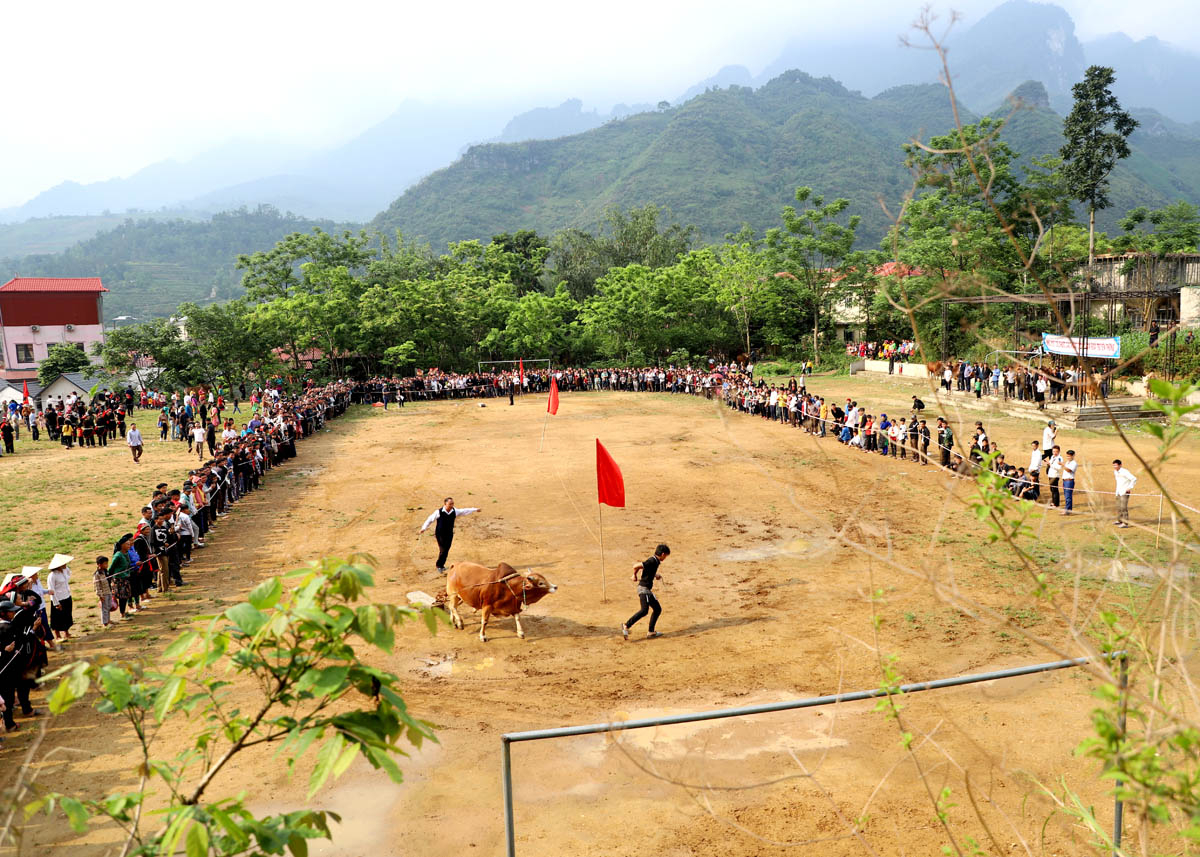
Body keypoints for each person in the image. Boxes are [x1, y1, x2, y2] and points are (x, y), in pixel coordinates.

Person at [621, 544, 670, 640]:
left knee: (657, 609)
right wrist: (634, 575)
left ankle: (651, 632)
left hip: (646, 590)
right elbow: (636, 566)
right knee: (644, 611)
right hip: (644, 589)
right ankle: (626, 625)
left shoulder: (655, 561)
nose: (665, 558)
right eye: (666, 556)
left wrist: (655, 575)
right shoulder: (652, 561)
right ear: (663, 554)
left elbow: (647, 570)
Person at [418, 498, 481, 573]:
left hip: (449, 533)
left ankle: (441, 565)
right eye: (450, 504)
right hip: (440, 533)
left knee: (446, 549)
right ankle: (439, 566)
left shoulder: (455, 511)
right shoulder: (438, 512)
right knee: (443, 549)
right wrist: (423, 528)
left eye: (452, 504)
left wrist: (475, 509)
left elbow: (464, 511)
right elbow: (430, 520)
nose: (452, 505)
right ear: (445, 504)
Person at [45, 555, 73, 642]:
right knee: (57, 617)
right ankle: (57, 635)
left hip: (67, 596)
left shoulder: (65, 570)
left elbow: (69, 575)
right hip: (59, 598)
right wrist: (56, 603)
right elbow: (51, 590)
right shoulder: (52, 576)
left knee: (67, 615)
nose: (65, 564)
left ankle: (66, 632)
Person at [1113, 459, 1137, 528]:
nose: (1114, 467)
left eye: (1116, 465)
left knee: (1123, 507)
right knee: (1118, 507)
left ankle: (1125, 523)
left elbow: (1134, 479)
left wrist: (1129, 487)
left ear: (1120, 465)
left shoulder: (1125, 472)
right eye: (1113, 465)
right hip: (1118, 492)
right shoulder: (1115, 472)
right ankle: (1119, 520)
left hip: (1124, 492)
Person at [93, 555, 113, 628]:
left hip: (109, 591)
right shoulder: (97, 575)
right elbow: (97, 586)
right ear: (99, 565)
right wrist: (100, 595)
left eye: (107, 563)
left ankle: (108, 619)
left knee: (108, 606)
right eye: (105, 564)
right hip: (103, 594)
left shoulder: (106, 572)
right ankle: (105, 623)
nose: (106, 565)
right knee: (104, 608)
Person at [1062, 449, 1077, 516]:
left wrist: (1062, 465)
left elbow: (1068, 470)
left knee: (1068, 496)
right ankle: (1067, 509)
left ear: (1073, 456)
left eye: (1069, 456)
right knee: (1066, 496)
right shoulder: (1067, 462)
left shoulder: (1074, 463)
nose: (1068, 457)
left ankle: (1067, 510)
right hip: (1065, 481)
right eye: (1067, 456)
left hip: (1069, 481)